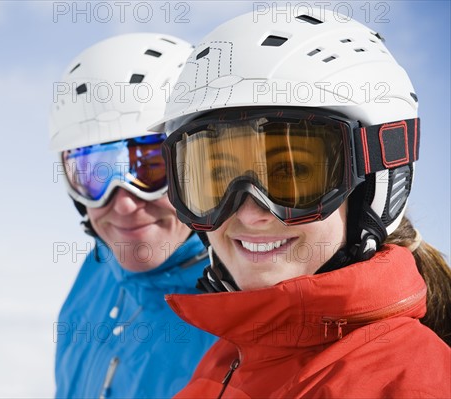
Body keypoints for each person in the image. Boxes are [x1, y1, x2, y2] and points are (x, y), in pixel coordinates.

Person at [151, 8, 451, 398]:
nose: (248, 213)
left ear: (374, 188)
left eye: (291, 174)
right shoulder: (227, 357)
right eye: (217, 177)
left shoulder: (410, 383)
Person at [49, 33, 217, 399]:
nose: (123, 204)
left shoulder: (237, 320)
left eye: (152, 167)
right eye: (94, 174)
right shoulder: (98, 270)